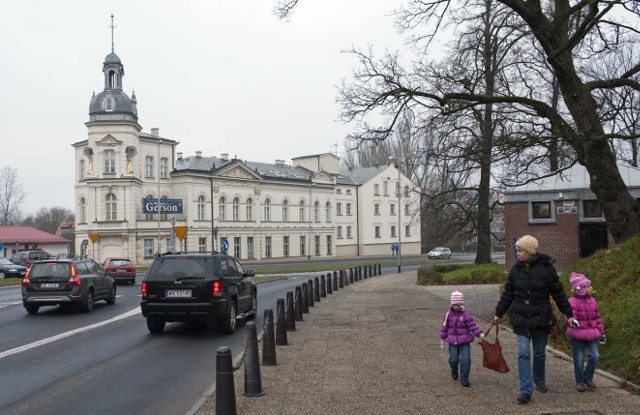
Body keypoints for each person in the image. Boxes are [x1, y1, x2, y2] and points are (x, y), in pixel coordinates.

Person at [494, 235, 577, 404]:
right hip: (521, 318)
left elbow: (559, 294)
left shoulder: (547, 270)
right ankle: (525, 390)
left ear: (530, 252)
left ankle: (539, 379)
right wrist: (498, 313)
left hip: (541, 318)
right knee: (523, 353)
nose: (517, 254)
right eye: (517, 250)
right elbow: (508, 294)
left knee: (539, 353)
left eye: (520, 250)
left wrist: (569, 314)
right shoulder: (515, 270)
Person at [566, 272, 605, 392]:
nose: (589, 288)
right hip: (578, 335)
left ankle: (588, 377)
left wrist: (601, 332)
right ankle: (580, 382)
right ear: (579, 289)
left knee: (595, 356)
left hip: (592, 334)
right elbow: (569, 317)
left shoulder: (592, 301)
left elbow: (597, 318)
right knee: (579, 359)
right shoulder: (572, 302)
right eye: (587, 286)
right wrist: (573, 322)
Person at [440, 291, 485, 387]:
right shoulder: (448, 315)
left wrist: (479, 333)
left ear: (461, 304)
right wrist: (442, 339)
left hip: (464, 340)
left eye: (458, 304)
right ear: (451, 304)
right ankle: (454, 370)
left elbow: (472, 326)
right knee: (453, 359)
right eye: (454, 304)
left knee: (466, 359)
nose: (456, 306)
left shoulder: (466, 315)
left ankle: (464, 378)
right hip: (452, 340)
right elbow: (445, 327)